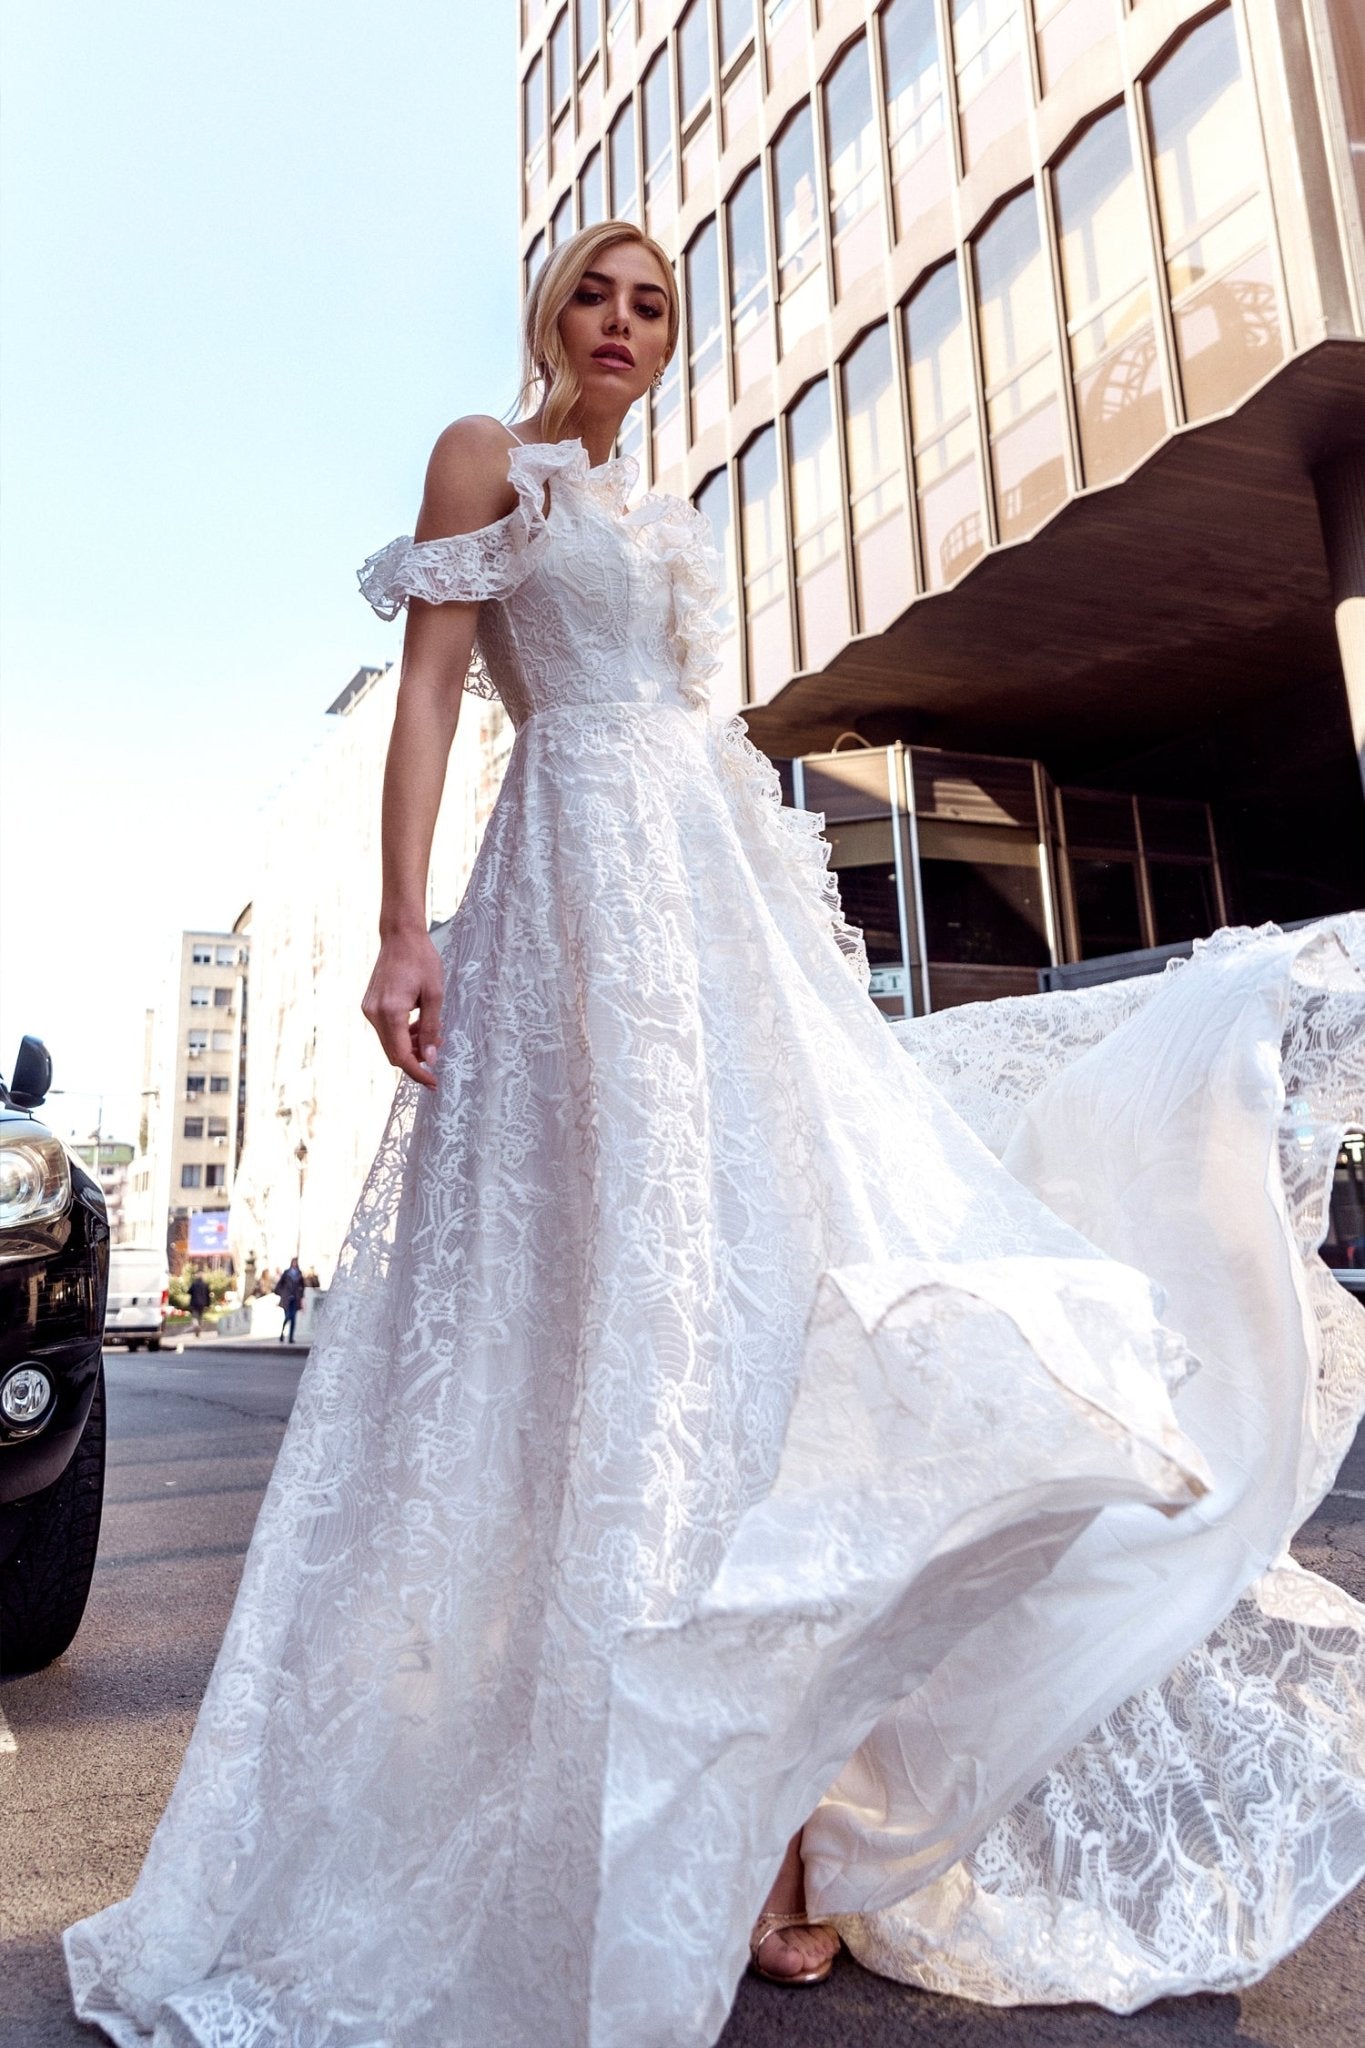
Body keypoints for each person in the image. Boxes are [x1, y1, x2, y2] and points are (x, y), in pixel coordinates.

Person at [66, 223, 1365, 2048]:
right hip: (570, 897)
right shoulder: (483, 459)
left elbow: (703, 733)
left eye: (653, 303)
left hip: (708, 901)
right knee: (616, 1334)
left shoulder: (667, 508)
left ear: (672, 342)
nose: (621, 323)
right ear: (548, 314)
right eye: (597, 293)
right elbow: (437, 688)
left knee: (762, 1314)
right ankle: (679, 1815)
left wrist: (796, 950)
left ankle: (765, 1800)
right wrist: (400, 925)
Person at [273, 1257, 305, 1344]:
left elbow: (302, 1287)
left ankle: (291, 1337)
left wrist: (301, 1297)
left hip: (295, 1299)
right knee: (287, 1317)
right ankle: (282, 1333)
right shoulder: (287, 1273)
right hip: (287, 1299)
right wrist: (283, 1293)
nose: (295, 1264)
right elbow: (279, 1285)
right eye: (294, 1262)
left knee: (293, 1319)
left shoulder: (299, 1273)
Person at [186, 1272, 210, 1339]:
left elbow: (188, 1291)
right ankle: (198, 1329)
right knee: (200, 1316)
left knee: (194, 1316)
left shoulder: (194, 1284)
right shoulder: (205, 1284)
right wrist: (208, 1304)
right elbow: (208, 1296)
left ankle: (196, 1325)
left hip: (194, 1303)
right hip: (202, 1304)